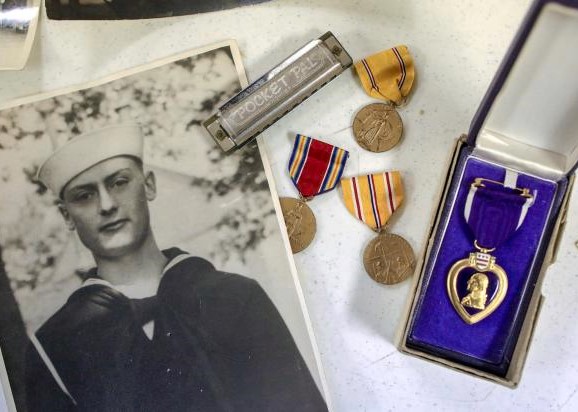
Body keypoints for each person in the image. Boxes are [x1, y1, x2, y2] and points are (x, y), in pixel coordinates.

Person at [25, 124, 327, 411]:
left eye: (119, 183)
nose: (106, 205)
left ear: (149, 185)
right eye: (84, 196)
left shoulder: (235, 297)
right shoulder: (54, 347)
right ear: (67, 216)